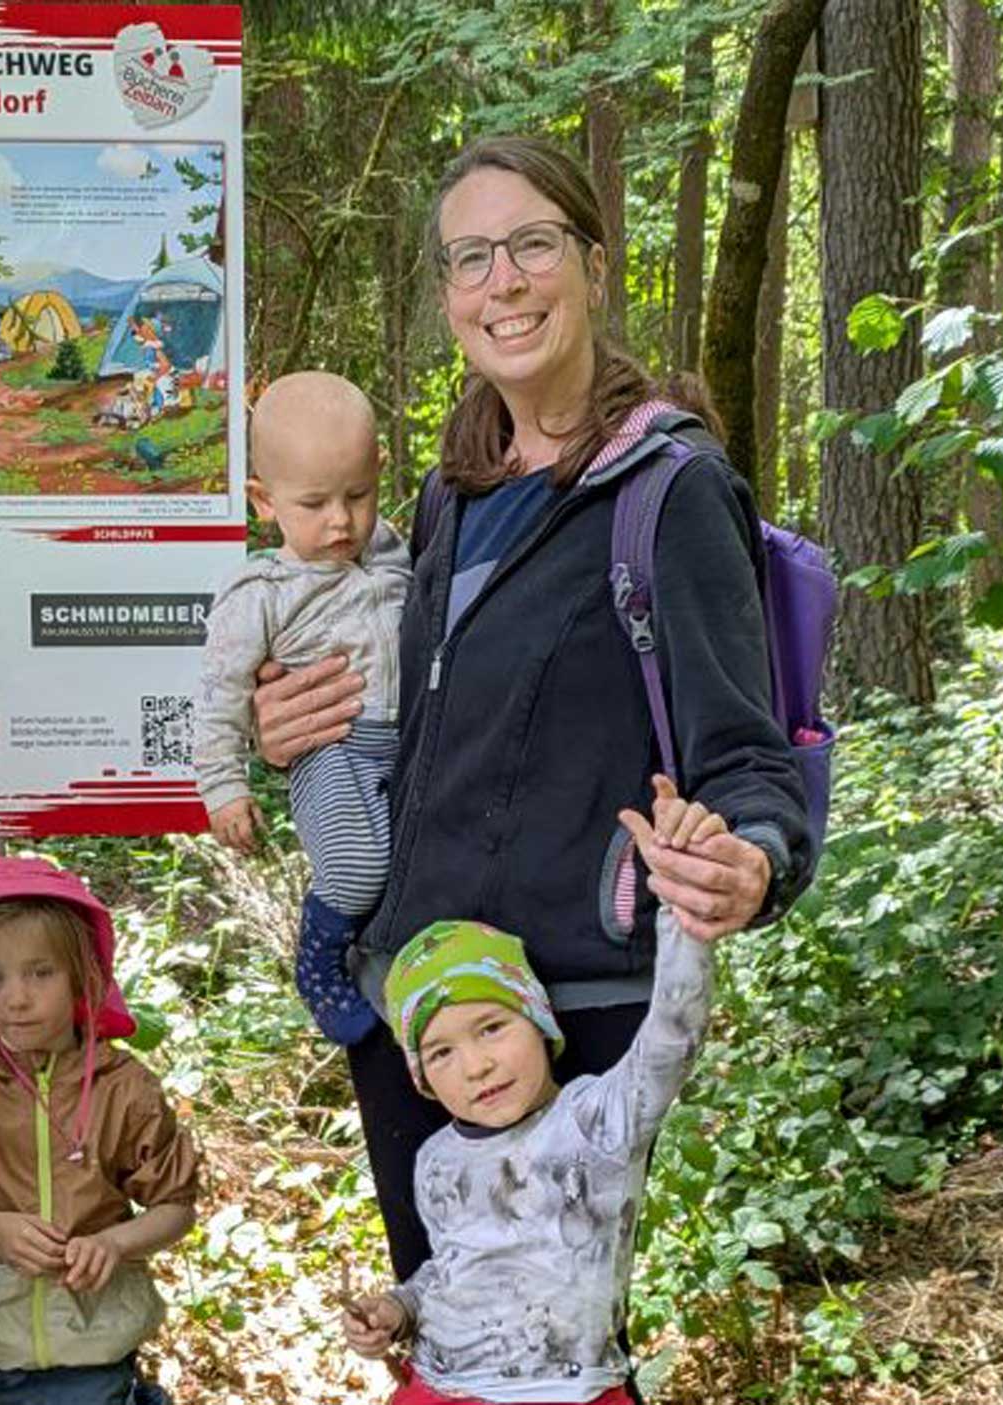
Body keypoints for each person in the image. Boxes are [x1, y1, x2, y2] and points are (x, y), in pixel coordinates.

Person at [247, 134, 812, 1279]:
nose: (501, 282)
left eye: (531, 245)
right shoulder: (450, 494)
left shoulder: (669, 490)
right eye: (469, 258)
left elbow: (748, 760)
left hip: (565, 1015)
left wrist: (750, 861)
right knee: (441, 1326)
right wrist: (293, 726)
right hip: (418, 996)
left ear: (593, 266)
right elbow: (419, 733)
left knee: (546, 1351)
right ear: (448, 294)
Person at [340, 781, 728, 1405]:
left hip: (567, 1389)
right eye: (441, 1051)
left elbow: (671, 1039)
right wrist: (398, 1309)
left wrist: (683, 913)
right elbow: (451, 1269)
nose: (475, 1065)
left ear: (540, 1021)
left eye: (491, 1027)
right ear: (421, 1077)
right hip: (441, 1386)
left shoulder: (595, 1122)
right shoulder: (436, 1158)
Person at [0, 855, 200, 1405]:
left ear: (82, 972)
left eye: (41, 973)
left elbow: (174, 1207)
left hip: (94, 1342)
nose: (16, 997)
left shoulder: (124, 1086)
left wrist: (113, 1243)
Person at [193, 371, 409, 1046]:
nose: (340, 520)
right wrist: (223, 786)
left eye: (357, 495)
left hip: (404, 745)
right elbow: (220, 694)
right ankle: (317, 960)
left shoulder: (397, 553)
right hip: (333, 751)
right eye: (313, 503)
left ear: (380, 470)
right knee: (356, 868)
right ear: (264, 500)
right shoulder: (262, 591)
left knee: (402, 862)